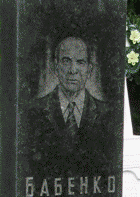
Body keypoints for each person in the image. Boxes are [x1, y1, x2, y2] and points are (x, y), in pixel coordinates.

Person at [28, 36, 112, 174]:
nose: (73, 70)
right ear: (56, 67)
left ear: (89, 70)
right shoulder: (34, 110)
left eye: (80, 62)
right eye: (66, 61)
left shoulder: (106, 112)